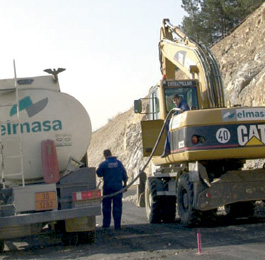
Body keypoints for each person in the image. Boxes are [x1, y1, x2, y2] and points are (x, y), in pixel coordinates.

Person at [96, 149, 128, 230]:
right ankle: (117, 225)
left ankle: (106, 224)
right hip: (118, 188)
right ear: (111, 154)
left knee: (106, 206)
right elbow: (124, 174)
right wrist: (125, 185)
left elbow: (99, 173)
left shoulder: (104, 164)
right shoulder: (119, 163)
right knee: (117, 206)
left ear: (105, 155)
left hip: (107, 188)